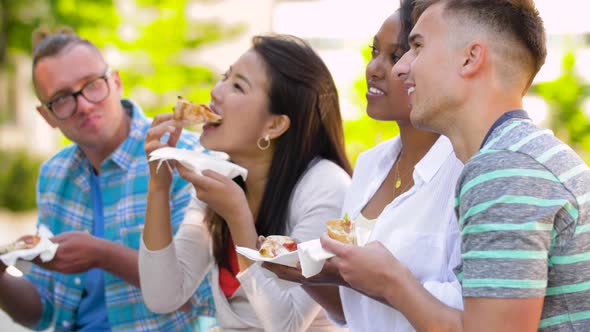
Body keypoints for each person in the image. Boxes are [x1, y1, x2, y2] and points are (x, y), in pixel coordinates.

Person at [322, 0, 590, 331]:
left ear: (470, 58)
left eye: (416, 47)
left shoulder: (505, 169)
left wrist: (391, 281)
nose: (401, 68)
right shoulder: (514, 156)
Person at [264, 1, 463, 331]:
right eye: (374, 52)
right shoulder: (372, 163)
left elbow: (472, 312)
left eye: (397, 55)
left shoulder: (462, 168)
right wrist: (308, 274)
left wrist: (386, 281)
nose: (375, 68)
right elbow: (351, 310)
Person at [0, 27, 214, 331]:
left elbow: (199, 295)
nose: (84, 105)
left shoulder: (182, 156)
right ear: (47, 116)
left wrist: (102, 255)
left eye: (92, 85)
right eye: (61, 98)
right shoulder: (54, 174)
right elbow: (42, 313)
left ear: (116, 82)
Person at [139, 34, 352, 331]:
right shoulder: (223, 176)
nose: (216, 92)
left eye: (237, 86)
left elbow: (287, 325)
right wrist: (158, 187)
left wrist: (238, 218)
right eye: (225, 77)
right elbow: (163, 296)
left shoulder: (325, 187)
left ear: (274, 125)